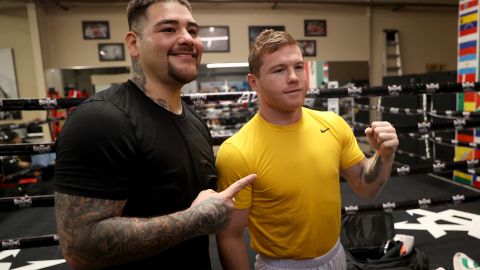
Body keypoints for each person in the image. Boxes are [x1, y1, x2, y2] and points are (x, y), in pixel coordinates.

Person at [54, 1, 255, 269]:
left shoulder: (196, 123)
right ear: (133, 44)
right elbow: (78, 247)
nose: (187, 38)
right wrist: (194, 220)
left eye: (192, 31)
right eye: (169, 29)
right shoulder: (101, 120)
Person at [215, 29, 399, 270]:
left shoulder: (332, 124)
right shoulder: (237, 151)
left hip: (335, 255)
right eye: (279, 70)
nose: (293, 77)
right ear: (254, 82)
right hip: (280, 265)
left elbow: (366, 187)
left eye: (298, 67)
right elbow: (230, 235)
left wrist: (384, 155)